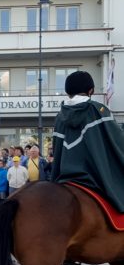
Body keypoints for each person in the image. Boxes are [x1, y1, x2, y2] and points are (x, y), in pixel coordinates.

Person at [51, 70, 124, 212]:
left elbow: (57, 151)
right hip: (94, 178)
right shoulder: (98, 110)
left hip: (65, 177)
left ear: (68, 92)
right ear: (91, 90)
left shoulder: (60, 117)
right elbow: (118, 142)